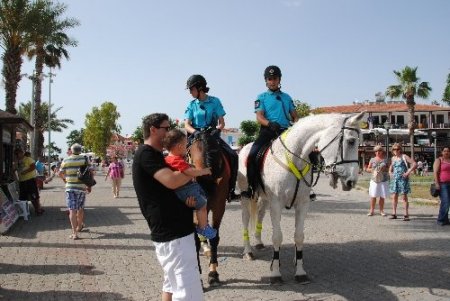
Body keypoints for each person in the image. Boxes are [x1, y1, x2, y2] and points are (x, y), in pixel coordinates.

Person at [132, 113, 203, 301]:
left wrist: (185, 201)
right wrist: (196, 167)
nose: (170, 133)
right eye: (166, 128)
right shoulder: (146, 153)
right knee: (187, 291)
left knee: (171, 284)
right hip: (173, 233)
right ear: (153, 130)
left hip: (174, 231)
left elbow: (170, 188)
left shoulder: (156, 155)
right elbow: (172, 181)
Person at [242, 65, 299, 197]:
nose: (272, 81)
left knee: (305, 154)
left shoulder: (287, 97)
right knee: (252, 155)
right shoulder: (261, 97)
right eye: (269, 79)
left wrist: (296, 125)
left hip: (286, 132)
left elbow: (295, 116)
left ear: (279, 80)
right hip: (268, 131)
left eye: (275, 78)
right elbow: (259, 117)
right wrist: (269, 124)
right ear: (266, 81)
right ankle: (252, 187)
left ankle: (307, 189)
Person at [183, 74, 239, 201]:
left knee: (233, 155)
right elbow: (186, 124)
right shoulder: (191, 105)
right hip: (196, 136)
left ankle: (231, 191)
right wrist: (195, 132)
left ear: (200, 88)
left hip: (212, 136)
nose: (190, 92)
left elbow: (222, 123)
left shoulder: (215, 101)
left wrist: (216, 129)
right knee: (179, 157)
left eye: (191, 89)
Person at [163, 129, 217, 239]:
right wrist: (204, 171)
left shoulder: (169, 159)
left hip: (209, 133)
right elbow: (190, 172)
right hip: (186, 189)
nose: (187, 147)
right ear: (179, 147)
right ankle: (203, 227)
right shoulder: (176, 160)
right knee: (202, 205)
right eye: (185, 145)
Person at [59, 143, 92, 240]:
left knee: (72, 210)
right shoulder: (84, 159)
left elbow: (60, 173)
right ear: (80, 150)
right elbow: (90, 172)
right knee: (80, 208)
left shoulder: (66, 159)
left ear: (72, 150)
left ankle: (74, 233)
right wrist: (89, 186)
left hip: (70, 188)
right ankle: (80, 226)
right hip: (81, 188)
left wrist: (66, 180)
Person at [388, 143, 417, 221]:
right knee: (394, 196)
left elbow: (414, 164)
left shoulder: (404, 156)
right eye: (394, 149)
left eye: (397, 149)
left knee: (404, 197)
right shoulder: (393, 158)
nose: (396, 151)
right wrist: (390, 173)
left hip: (403, 179)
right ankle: (394, 213)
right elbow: (391, 167)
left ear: (400, 149)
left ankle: (406, 214)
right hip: (395, 180)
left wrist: (408, 172)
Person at [14, 149, 44, 215]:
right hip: (22, 181)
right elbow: (15, 169)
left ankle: (38, 210)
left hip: (30, 180)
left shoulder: (28, 159)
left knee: (34, 196)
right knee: (23, 197)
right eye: (15, 154)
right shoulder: (17, 161)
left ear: (22, 153)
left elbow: (33, 166)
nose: (16, 155)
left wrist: (26, 171)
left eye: (18, 153)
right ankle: (25, 212)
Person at [365, 145, 389, 216]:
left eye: (379, 150)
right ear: (375, 152)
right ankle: (371, 210)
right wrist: (373, 170)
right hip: (374, 180)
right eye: (376, 151)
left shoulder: (385, 159)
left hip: (383, 180)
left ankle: (381, 211)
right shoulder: (372, 159)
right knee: (373, 195)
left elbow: (389, 169)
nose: (378, 152)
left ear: (382, 151)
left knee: (382, 196)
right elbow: (367, 169)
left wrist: (384, 169)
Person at [433, 147, 450, 226]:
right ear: (442, 152)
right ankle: (440, 219)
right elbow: (435, 172)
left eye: (448, 151)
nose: (446, 152)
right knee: (445, 202)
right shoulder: (439, 160)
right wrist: (437, 183)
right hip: (443, 184)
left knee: (447, 202)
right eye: (445, 151)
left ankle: (445, 220)